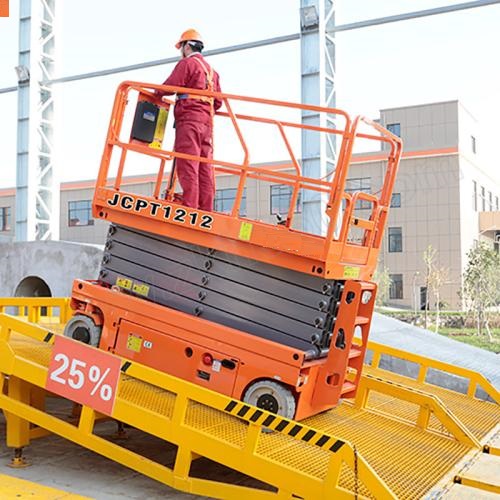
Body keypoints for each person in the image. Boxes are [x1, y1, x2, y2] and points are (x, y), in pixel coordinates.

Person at [156, 29, 222, 211]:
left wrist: (156, 92)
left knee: (188, 163)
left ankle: (190, 208)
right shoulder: (212, 72)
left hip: (189, 120)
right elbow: (218, 102)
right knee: (205, 166)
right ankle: (205, 209)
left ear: (186, 46)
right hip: (207, 124)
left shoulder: (187, 64)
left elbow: (170, 86)